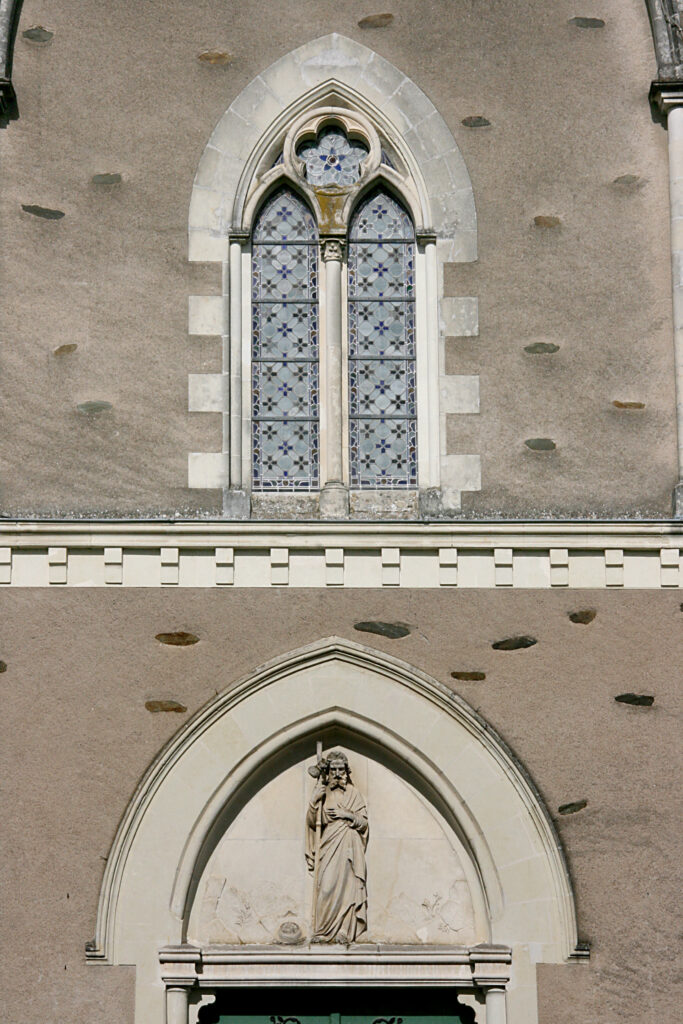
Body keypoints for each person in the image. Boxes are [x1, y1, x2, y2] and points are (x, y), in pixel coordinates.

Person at [305, 750, 368, 943]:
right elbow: (312, 821)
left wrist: (347, 815)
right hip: (329, 843)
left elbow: (364, 823)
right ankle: (323, 930)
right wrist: (314, 800)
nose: (338, 774)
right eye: (334, 770)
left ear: (347, 772)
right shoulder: (323, 793)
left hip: (349, 843)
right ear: (329, 772)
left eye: (342, 770)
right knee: (326, 887)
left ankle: (344, 930)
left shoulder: (354, 794)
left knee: (349, 886)